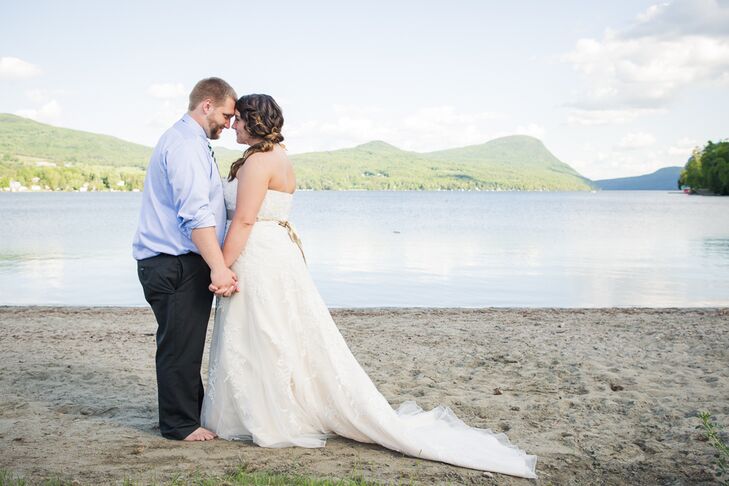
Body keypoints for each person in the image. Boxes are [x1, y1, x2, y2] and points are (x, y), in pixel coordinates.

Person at [200, 94, 537, 478]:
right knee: (277, 330)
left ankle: (268, 414)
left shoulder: (259, 163)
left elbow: (243, 221)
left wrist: (220, 267)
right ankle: (272, 406)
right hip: (277, 252)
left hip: (258, 252)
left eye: (239, 120)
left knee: (264, 330)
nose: (233, 126)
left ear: (254, 121)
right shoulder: (280, 159)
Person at [133, 77, 239, 442]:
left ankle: (189, 415)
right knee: (180, 343)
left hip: (171, 262)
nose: (228, 123)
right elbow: (195, 215)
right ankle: (179, 424)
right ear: (206, 105)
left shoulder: (190, 142)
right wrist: (219, 267)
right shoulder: (184, 146)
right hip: (173, 262)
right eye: (226, 115)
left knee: (186, 341)